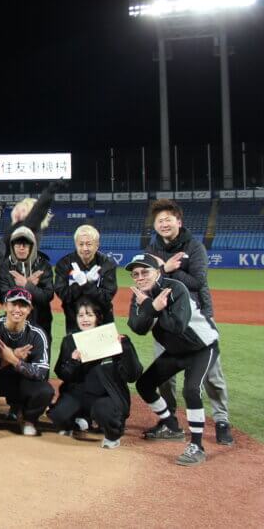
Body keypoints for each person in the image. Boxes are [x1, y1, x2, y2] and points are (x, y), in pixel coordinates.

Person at [146, 199, 233, 446]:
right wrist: (164, 269)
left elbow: (198, 282)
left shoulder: (195, 247)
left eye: (168, 219)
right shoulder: (152, 249)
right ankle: (169, 419)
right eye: (159, 220)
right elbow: (149, 282)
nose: (164, 224)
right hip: (166, 319)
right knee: (164, 376)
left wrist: (168, 270)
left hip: (198, 318)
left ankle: (221, 420)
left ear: (179, 221)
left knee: (212, 375)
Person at [126, 253, 219, 466]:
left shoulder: (176, 288)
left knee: (191, 390)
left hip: (202, 347)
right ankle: (170, 425)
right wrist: (152, 307)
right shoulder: (139, 296)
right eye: (135, 274)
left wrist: (150, 308)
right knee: (144, 384)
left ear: (157, 272)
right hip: (176, 351)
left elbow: (177, 326)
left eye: (145, 272)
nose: (140, 277)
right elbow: (137, 327)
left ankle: (197, 446)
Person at [49, 300, 143, 449]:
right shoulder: (70, 341)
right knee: (58, 415)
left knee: (102, 410)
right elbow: (62, 374)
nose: (84, 319)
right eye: (80, 315)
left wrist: (126, 348)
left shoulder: (114, 340)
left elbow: (133, 375)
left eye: (89, 315)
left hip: (108, 397)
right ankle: (83, 420)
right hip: (81, 394)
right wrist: (73, 362)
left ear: (98, 318)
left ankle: (113, 434)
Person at [0, 287, 54, 436]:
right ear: (5, 306)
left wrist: (14, 360)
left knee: (45, 391)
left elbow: (41, 373)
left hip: (21, 383)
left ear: (29, 310)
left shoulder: (37, 334)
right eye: (13, 304)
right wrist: (8, 358)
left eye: (23, 305)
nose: (17, 309)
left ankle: (28, 419)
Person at [0, 226, 54, 349]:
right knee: (11, 358)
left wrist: (26, 285)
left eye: (25, 244)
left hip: (41, 321)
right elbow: (3, 298)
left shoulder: (43, 265)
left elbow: (47, 296)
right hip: (13, 324)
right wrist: (27, 285)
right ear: (12, 246)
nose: (21, 248)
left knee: (40, 358)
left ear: (32, 246)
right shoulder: (4, 266)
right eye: (17, 244)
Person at [53, 225, 117, 334]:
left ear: (97, 245)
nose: (85, 248)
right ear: (76, 244)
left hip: (103, 322)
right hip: (74, 322)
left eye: (89, 244)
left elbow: (106, 297)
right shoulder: (64, 264)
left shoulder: (107, 264)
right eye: (81, 244)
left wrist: (85, 284)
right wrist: (81, 284)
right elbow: (64, 295)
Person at [3, 179, 65, 250]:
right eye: (17, 208)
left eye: (23, 211)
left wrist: (50, 190)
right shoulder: (13, 228)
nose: (18, 212)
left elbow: (39, 209)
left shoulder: (28, 227)